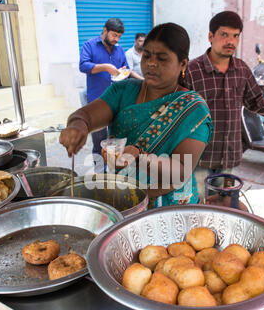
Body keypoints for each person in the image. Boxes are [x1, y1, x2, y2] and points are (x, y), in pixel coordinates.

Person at [60, 23, 213, 207]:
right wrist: (78, 126)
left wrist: (140, 156)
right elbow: (85, 115)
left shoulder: (193, 110)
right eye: (146, 56)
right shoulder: (123, 91)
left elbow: (181, 170)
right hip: (123, 200)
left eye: (162, 58)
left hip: (171, 208)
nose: (151, 63)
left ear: (182, 64)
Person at [186, 11, 264, 202]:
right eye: (224, 35)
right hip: (200, 157)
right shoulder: (193, 70)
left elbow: (257, 102)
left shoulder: (241, 70)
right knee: (199, 209)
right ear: (211, 36)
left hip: (228, 157)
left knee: (225, 209)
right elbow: (179, 112)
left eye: (235, 36)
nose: (230, 41)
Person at [79, 18, 129, 160]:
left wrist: (123, 70)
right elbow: (83, 65)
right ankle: (100, 172)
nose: (116, 39)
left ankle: (114, 167)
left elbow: (126, 68)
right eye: (114, 35)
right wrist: (105, 67)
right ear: (105, 30)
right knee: (99, 140)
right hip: (97, 100)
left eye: (119, 36)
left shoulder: (119, 50)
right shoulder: (90, 45)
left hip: (117, 100)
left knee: (116, 137)